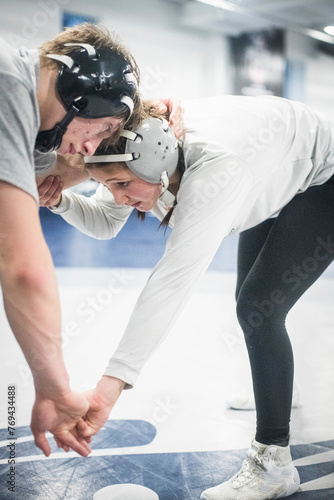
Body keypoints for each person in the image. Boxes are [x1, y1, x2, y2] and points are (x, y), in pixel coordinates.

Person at [39, 95, 334, 499]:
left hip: (324, 174)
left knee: (258, 309)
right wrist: (59, 200)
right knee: (252, 302)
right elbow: (107, 222)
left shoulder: (216, 170)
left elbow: (172, 282)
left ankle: (272, 464)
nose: (119, 197)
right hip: (278, 159)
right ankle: (281, 386)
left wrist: (109, 387)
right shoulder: (145, 146)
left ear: (156, 164)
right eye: (109, 186)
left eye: (122, 185)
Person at [0, 21, 182, 458]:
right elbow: (23, 267)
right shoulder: (9, 87)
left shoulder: (45, 133)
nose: (91, 148)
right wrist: (55, 390)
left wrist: (145, 124)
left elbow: (65, 171)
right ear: (79, 97)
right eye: (99, 131)